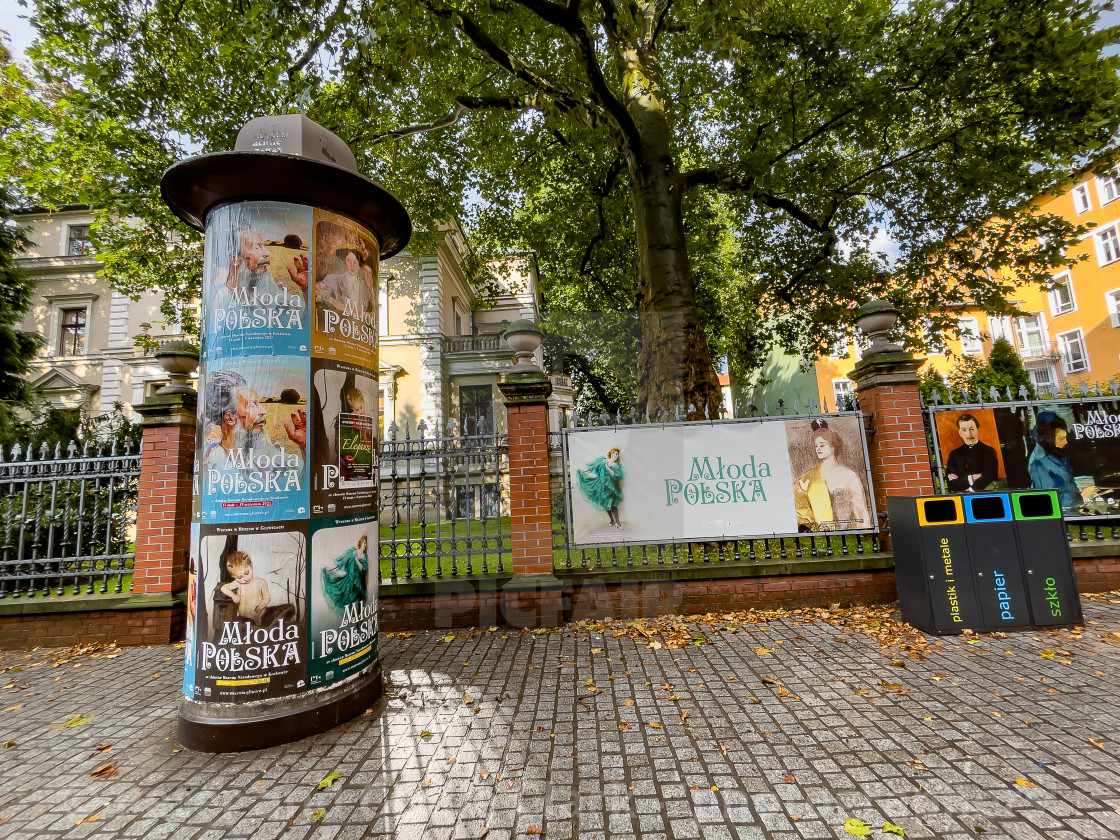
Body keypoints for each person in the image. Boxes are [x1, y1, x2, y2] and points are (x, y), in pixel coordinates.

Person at [202, 369, 306, 479]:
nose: (263, 411)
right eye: (252, 404)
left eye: (258, 403)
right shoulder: (217, 463)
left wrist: (304, 446)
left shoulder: (264, 452)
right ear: (229, 418)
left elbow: (303, 484)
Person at [793, 421, 871, 531]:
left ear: (833, 446)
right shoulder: (808, 477)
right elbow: (799, 504)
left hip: (846, 531)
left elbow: (860, 508)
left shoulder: (849, 475)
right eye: (816, 446)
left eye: (822, 445)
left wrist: (865, 529)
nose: (818, 449)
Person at [211, 228, 307, 311]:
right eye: (257, 247)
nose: (267, 253)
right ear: (235, 259)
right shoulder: (223, 298)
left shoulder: (264, 290)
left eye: (264, 247)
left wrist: (305, 289)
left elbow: (305, 322)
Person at [218, 551, 296, 629]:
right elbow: (223, 588)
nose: (245, 579)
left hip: (263, 614)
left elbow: (267, 598)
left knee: (287, 609)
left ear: (251, 566)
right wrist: (233, 595)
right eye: (239, 577)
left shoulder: (261, 582)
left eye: (247, 573)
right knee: (243, 626)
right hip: (245, 618)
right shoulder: (238, 584)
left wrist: (259, 608)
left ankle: (270, 624)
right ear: (233, 576)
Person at [1028, 411, 1079, 510]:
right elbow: (1049, 499)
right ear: (1049, 438)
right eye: (1062, 438)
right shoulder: (1039, 463)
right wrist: (1081, 496)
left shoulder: (1056, 455)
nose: (1066, 441)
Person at [944, 413, 999, 493]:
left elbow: (991, 476)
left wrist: (972, 489)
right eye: (964, 430)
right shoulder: (954, 454)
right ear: (960, 433)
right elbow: (951, 483)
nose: (969, 434)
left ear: (977, 429)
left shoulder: (989, 451)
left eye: (972, 429)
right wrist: (971, 478)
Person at [316, 245, 374, 314]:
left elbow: (369, 310)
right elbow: (321, 297)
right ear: (345, 262)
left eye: (355, 262)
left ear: (359, 265)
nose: (352, 265)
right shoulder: (333, 279)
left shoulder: (364, 287)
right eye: (349, 260)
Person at [577, 447, 625, 529]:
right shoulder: (603, 460)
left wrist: (607, 467)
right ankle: (612, 520)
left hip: (612, 487)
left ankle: (617, 523)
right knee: (606, 504)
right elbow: (593, 468)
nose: (617, 456)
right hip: (602, 486)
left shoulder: (617, 466)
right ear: (612, 453)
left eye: (618, 454)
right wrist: (584, 471)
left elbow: (615, 475)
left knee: (613, 504)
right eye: (616, 454)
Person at [321, 534, 370, 612]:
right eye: (364, 543)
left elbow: (363, 569)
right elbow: (342, 563)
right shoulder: (352, 552)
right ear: (360, 543)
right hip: (350, 581)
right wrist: (332, 568)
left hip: (359, 583)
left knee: (359, 602)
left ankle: (357, 620)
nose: (365, 545)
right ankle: (352, 618)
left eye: (366, 543)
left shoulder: (364, 556)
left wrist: (357, 560)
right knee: (348, 599)